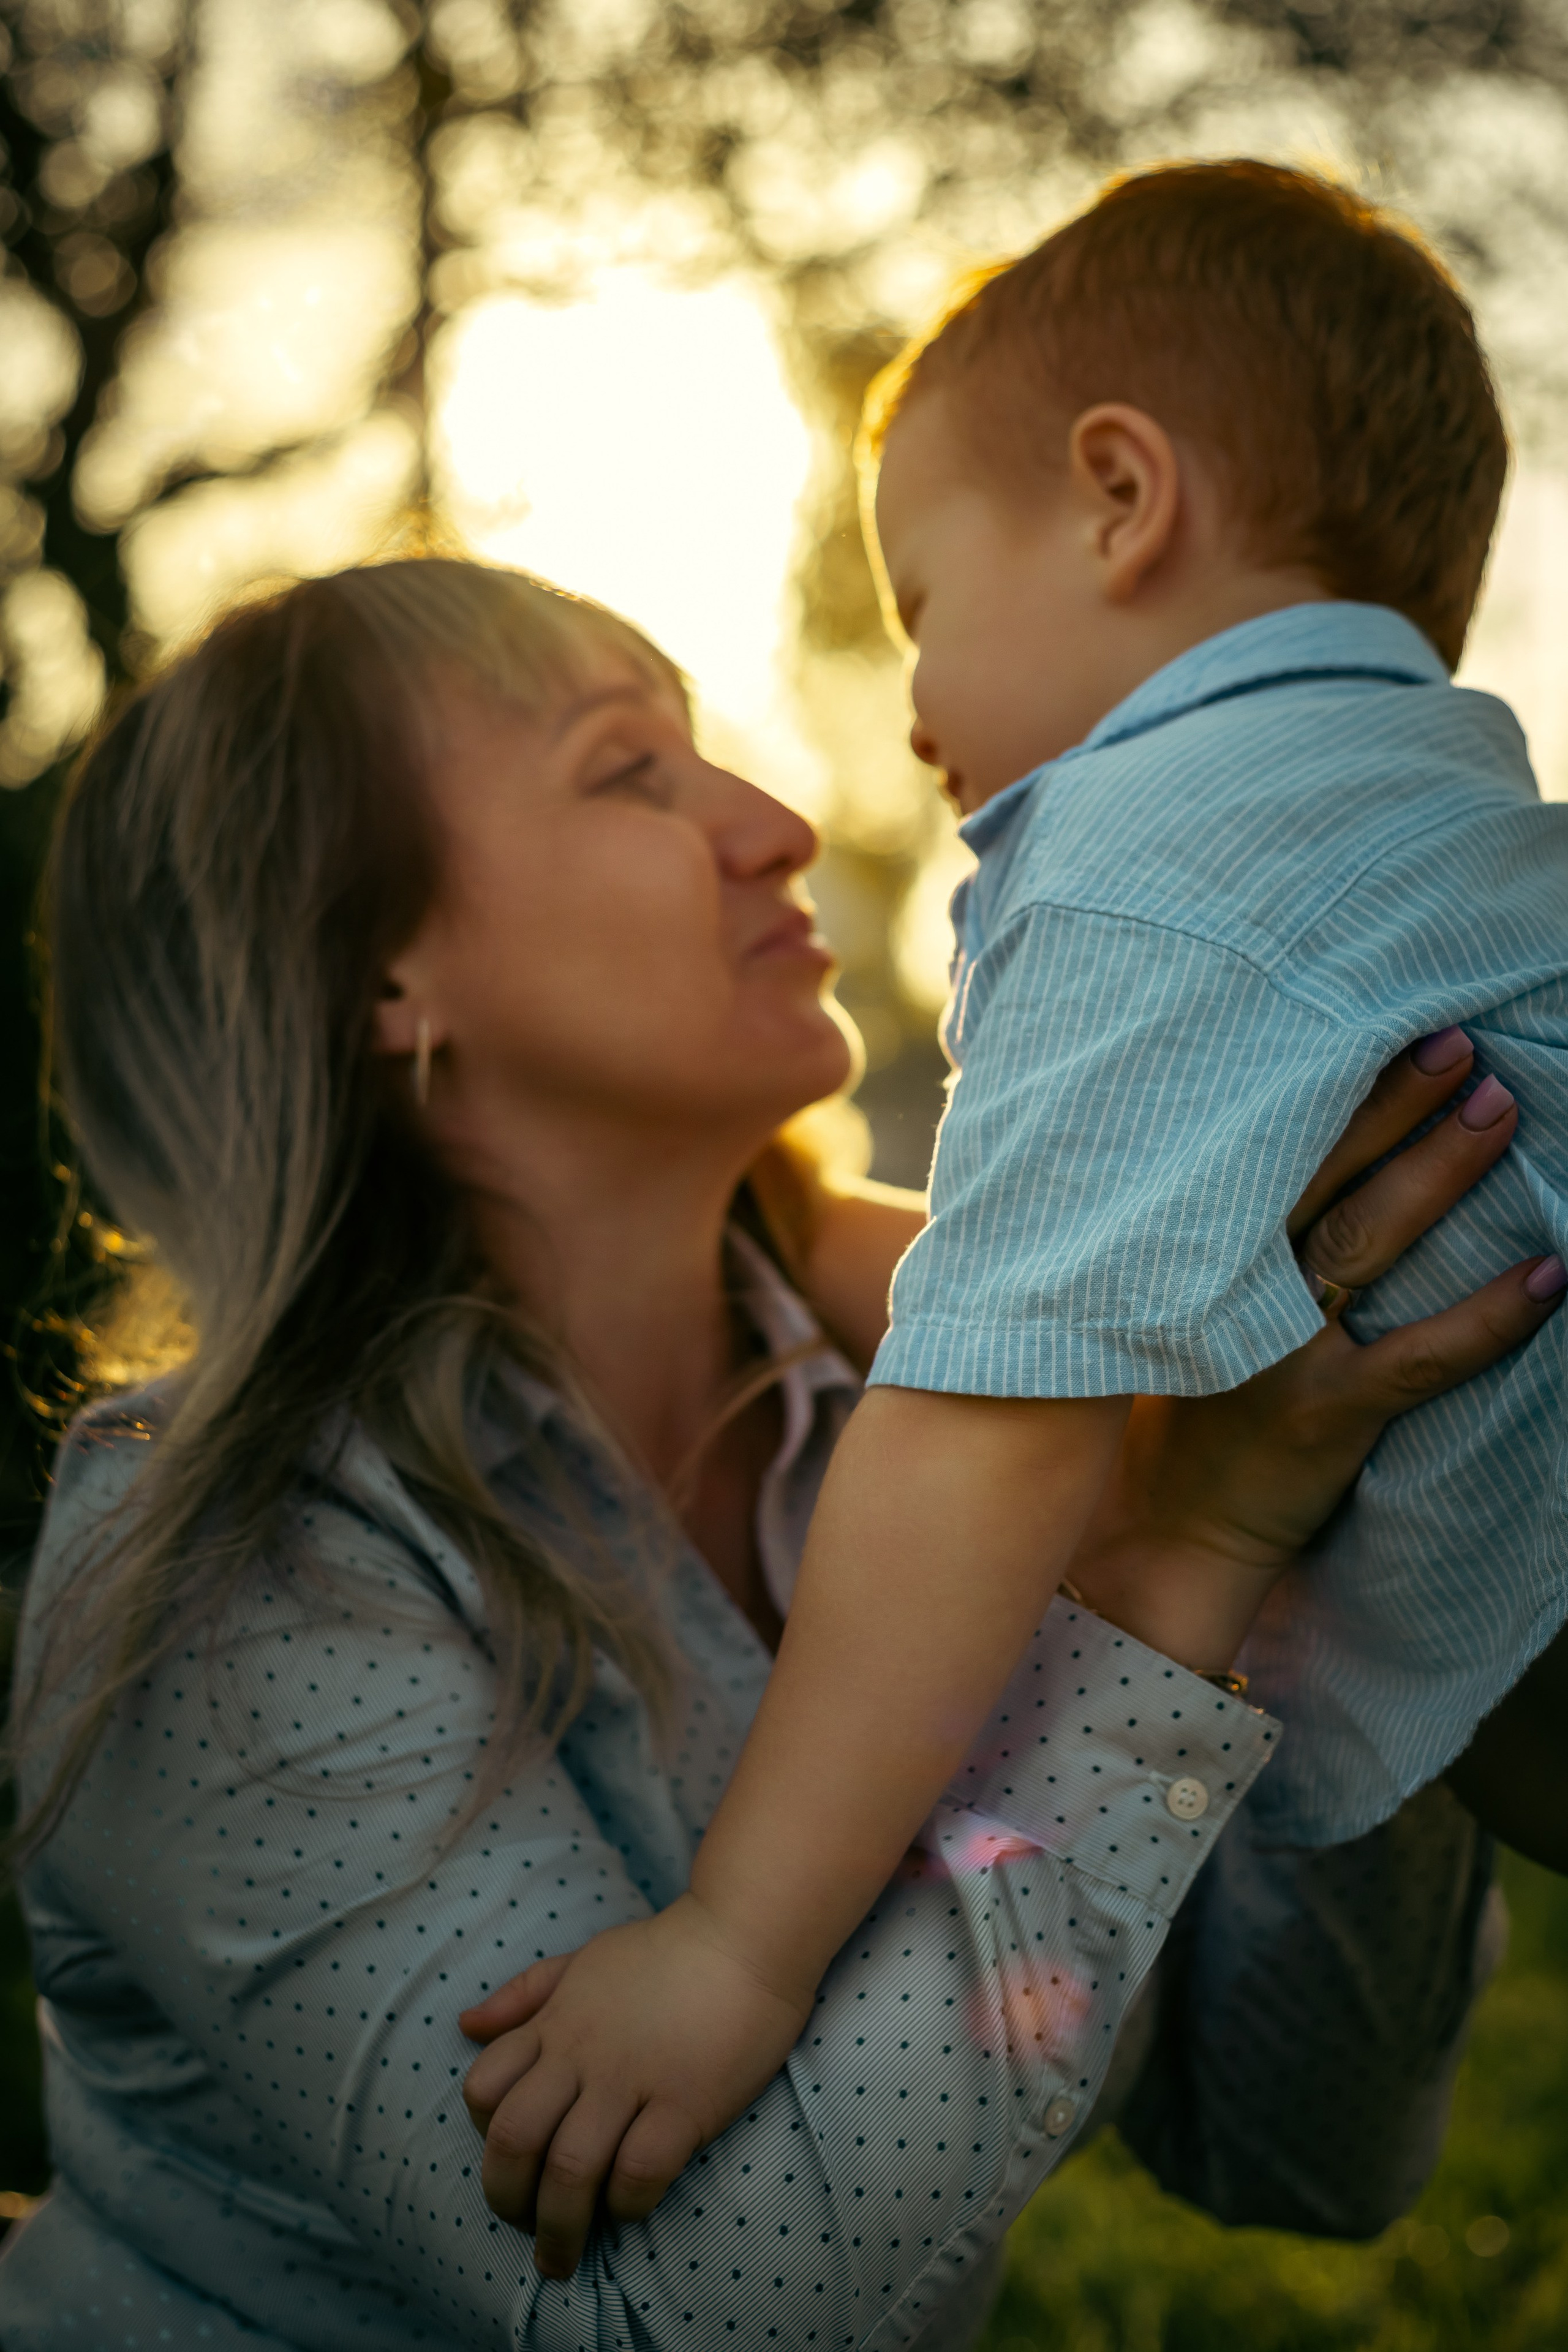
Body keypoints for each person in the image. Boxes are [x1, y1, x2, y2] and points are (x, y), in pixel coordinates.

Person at [0, 559, 1537, 2348]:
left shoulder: (958, 1429)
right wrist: (1173, 1574)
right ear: (376, 967)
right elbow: (667, 2313)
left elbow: (1308, 2148)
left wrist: (1355, 1484)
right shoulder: (226, 1557)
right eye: (627, 772)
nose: (779, 827)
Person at [475, 160, 1568, 2257]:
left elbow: (976, 1435)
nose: (902, 720)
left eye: (920, 609)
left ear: (1120, 499)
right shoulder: (1419, 818)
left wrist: (736, 1947)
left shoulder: (1141, 860)